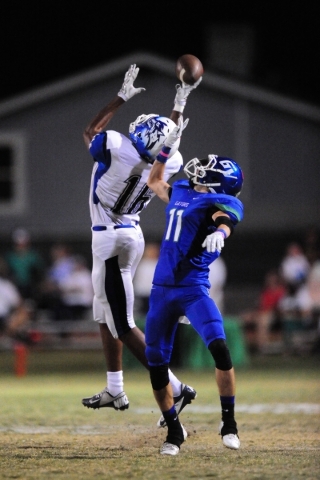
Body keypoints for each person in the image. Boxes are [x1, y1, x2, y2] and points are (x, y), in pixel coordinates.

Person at [81, 64, 202, 415]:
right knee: (103, 314)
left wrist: (120, 96)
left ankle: (175, 386)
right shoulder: (164, 162)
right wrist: (180, 101)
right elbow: (167, 144)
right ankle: (115, 388)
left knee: (123, 324)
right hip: (129, 234)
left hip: (109, 240)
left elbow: (91, 129)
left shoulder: (116, 149)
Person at [145, 131, 244, 455]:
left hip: (192, 289)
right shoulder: (183, 190)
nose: (200, 171)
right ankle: (174, 431)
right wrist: (165, 151)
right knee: (157, 364)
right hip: (161, 290)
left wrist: (220, 232)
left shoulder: (218, 201)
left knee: (220, 348)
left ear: (220, 185)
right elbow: (154, 181)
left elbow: (225, 217)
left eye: (209, 172)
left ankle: (228, 423)